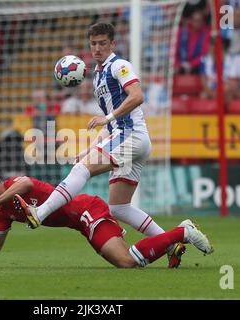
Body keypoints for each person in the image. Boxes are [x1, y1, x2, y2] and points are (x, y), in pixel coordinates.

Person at [15, 22, 184, 263]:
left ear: (112, 44)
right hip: (127, 138)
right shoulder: (97, 76)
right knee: (118, 207)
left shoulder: (120, 66)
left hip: (131, 136)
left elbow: (137, 96)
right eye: (93, 44)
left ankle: (39, 214)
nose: (97, 48)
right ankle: (171, 243)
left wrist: (108, 117)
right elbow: (110, 125)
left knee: (82, 169)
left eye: (103, 43)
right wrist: (89, 148)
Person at [0, 170, 213, 269]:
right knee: (126, 261)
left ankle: (182, 232)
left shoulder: (13, 185)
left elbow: (26, 182)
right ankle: (171, 243)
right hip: (82, 224)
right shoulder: (5, 211)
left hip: (87, 210)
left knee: (125, 261)